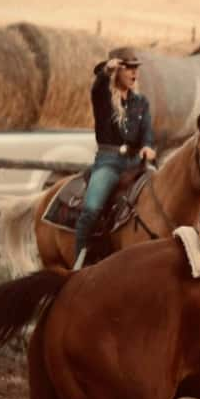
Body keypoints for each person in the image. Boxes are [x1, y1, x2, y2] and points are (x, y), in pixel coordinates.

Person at [74, 47, 155, 269]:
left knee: (161, 191)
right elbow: (99, 83)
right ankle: (79, 262)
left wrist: (148, 146)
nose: (133, 73)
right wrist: (105, 70)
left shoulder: (141, 102)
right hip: (109, 161)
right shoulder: (102, 96)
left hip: (135, 163)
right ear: (117, 70)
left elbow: (147, 131)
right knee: (91, 209)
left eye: (135, 68)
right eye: (128, 68)